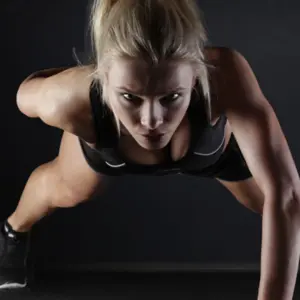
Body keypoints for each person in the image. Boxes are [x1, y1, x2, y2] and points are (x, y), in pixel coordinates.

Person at [1, 0, 299, 298]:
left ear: (196, 74)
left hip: (211, 153)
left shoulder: (226, 75)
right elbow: (23, 94)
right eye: (131, 97)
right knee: (65, 190)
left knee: (285, 210)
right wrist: (85, 80)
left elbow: (286, 195)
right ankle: (13, 232)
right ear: (103, 77)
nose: (152, 121)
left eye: (171, 97)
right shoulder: (65, 99)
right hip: (109, 146)